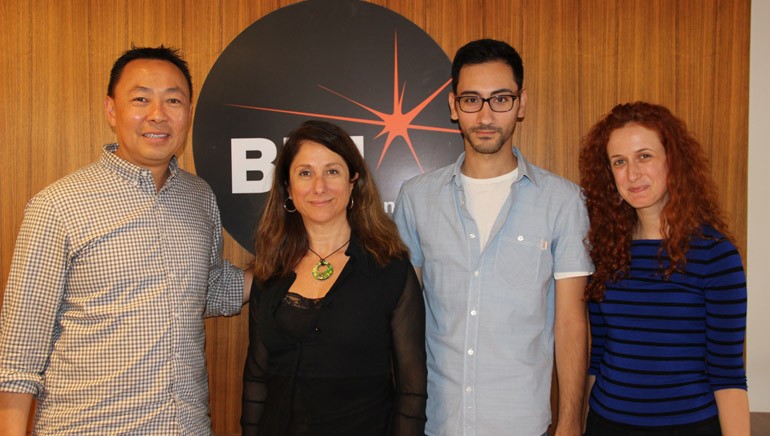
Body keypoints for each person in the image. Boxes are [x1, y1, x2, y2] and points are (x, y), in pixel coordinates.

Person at [0, 46, 252, 435]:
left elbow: (212, 289)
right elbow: (19, 353)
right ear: (111, 110)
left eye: (173, 100)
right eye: (140, 99)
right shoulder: (57, 205)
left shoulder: (199, 196)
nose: (158, 114)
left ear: (187, 112)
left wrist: (299, 265)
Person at [393, 39, 592, 436]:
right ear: (454, 106)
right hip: (436, 422)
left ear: (522, 104)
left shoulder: (563, 201)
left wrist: (571, 421)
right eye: (471, 99)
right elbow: (402, 316)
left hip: (522, 423)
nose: (485, 115)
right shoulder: (415, 198)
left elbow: (571, 321)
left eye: (500, 98)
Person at [241, 120, 427, 435]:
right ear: (288, 187)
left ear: (353, 181)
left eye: (332, 171)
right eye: (305, 173)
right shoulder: (269, 271)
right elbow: (257, 379)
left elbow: (411, 391)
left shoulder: (390, 271)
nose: (319, 187)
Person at [579, 101, 749, 435]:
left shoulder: (715, 255)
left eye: (645, 156)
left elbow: (727, 373)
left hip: (690, 426)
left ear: (672, 160)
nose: (632, 174)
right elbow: (597, 356)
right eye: (619, 162)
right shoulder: (605, 252)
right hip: (606, 424)